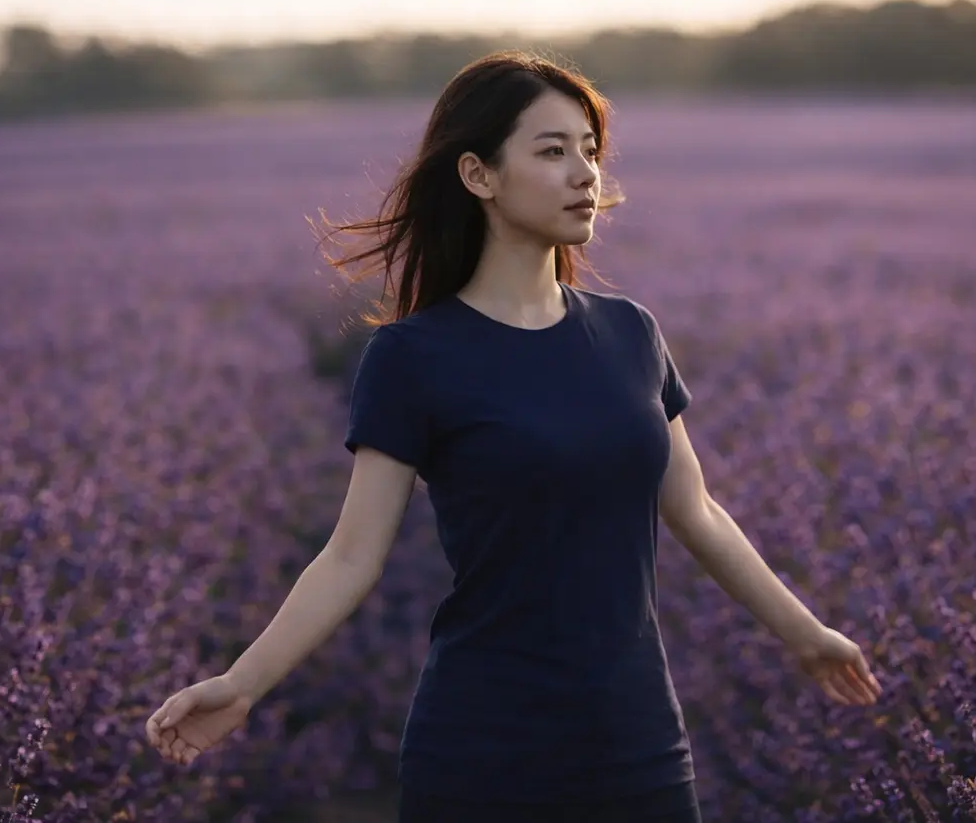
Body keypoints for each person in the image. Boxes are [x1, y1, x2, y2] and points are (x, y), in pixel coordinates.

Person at [144, 51, 883, 821]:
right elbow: (351, 557)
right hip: (484, 751)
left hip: (638, 742)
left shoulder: (631, 334)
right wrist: (243, 683)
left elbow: (696, 513)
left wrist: (806, 634)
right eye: (553, 151)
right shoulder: (413, 357)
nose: (585, 175)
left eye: (590, 152)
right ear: (479, 175)